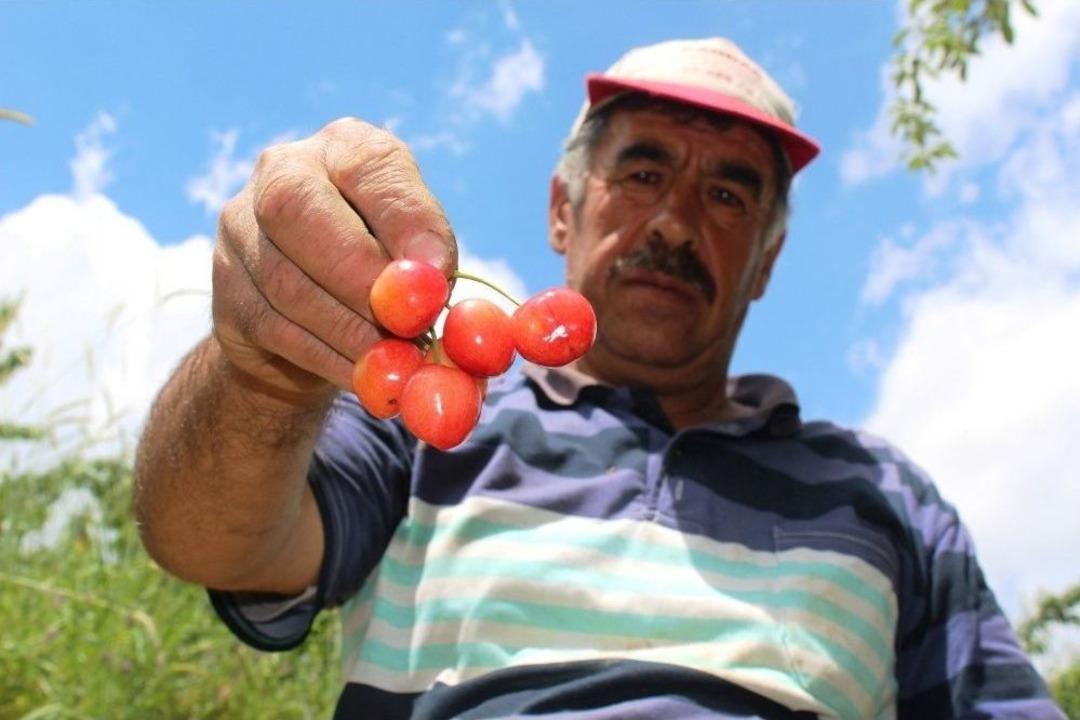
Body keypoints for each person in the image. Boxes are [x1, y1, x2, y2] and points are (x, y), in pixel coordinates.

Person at [133, 37, 1064, 719]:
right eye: (643, 172)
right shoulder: (430, 416)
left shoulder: (885, 496)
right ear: (561, 212)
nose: (673, 222)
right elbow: (219, 544)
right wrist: (262, 376)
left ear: (768, 262)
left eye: (730, 193)